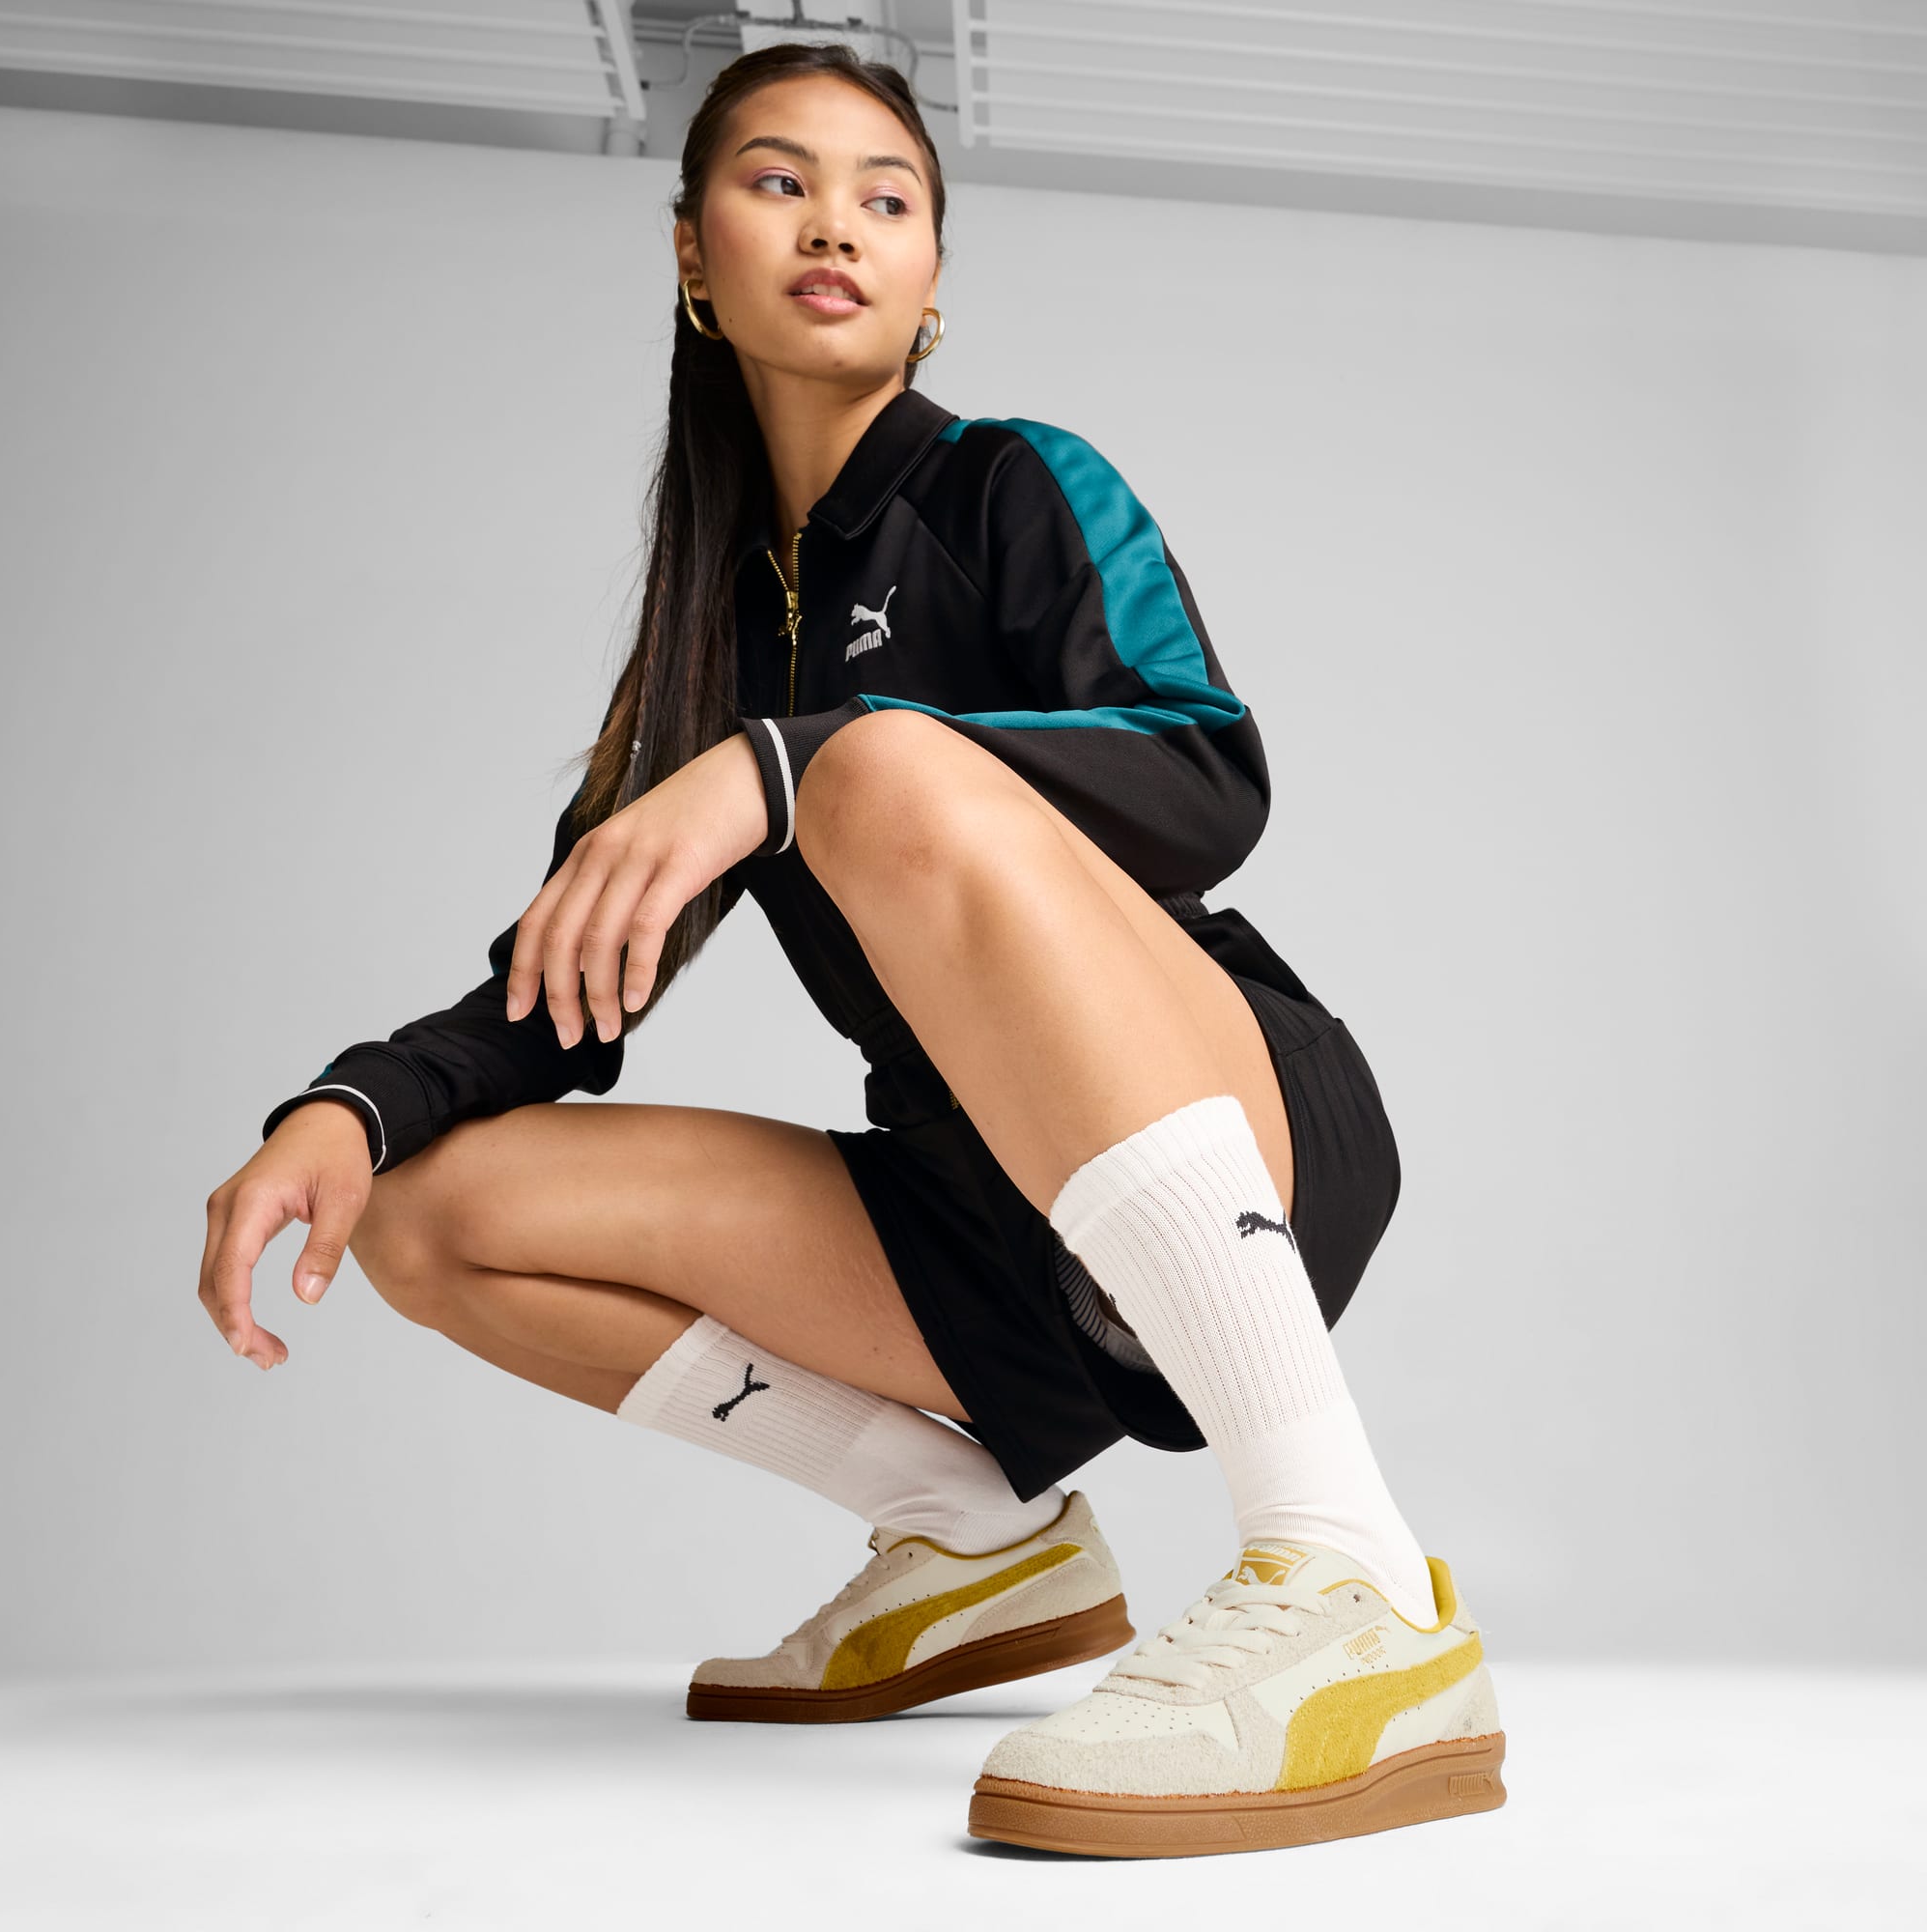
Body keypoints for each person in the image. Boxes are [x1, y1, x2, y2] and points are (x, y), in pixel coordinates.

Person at [199, 42, 1506, 1858]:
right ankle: (976, 1539)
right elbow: (566, 986)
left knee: (883, 767)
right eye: (780, 182)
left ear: (932, 276)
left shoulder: (1013, 486)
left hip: (1236, 1121)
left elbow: (1209, 773)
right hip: (986, 1230)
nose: (837, 225)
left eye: (888, 198)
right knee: (432, 1215)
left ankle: (1352, 1575)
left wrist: (795, 765)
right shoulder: (711, 637)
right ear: (692, 253)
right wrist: (346, 1107)